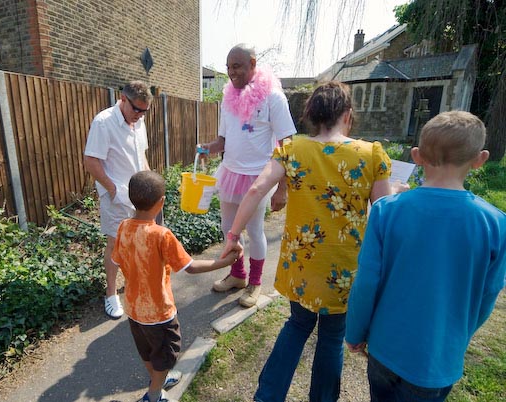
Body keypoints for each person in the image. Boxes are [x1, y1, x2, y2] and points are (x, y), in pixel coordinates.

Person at [221, 81, 393, 402]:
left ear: (312, 114)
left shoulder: (292, 150)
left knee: (297, 325)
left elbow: (258, 189)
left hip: (301, 266)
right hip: (344, 271)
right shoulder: (371, 155)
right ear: (348, 115)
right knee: (331, 339)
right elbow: (386, 215)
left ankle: (267, 396)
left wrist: (233, 236)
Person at [345, 111, 506, 402]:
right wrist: (459, 336)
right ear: (480, 159)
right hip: (439, 358)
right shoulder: (496, 223)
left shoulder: (386, 211)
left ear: (416, 156)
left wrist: (354, 332)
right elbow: (488, 294)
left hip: (385, 348)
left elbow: (366, 282)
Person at [111, 170, 238, 402]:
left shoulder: (122, 228)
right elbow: (189, 267)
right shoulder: (161, 235)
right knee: (167, 354)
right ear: (161, 202)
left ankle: (158, 381)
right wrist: (224, 262)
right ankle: (154, 395)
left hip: (133, 308)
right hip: (159, 312)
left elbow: (117, 261)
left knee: (148, 351)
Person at [199, 43, 296, 308]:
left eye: (237, 66)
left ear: (253, 63)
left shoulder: (273, 98)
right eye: (228, 67)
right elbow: (223, 140)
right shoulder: (227, 98)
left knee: (254, 231)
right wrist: (209, 148)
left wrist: (282, 188)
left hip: (258, 177)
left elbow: (288, 144)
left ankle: (255, 283)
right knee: (228, 229)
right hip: (230, 172)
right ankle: (238, 275)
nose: (232, 72)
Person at [84, 80, 153, 319]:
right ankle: (111, 294)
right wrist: (113, 190)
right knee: (115, 245)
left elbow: (141, 155)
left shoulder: (139, 121)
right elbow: (91, 161)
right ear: (122, 99)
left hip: (139, 195)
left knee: (138, 241)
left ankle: (136, 283)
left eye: (145, 111)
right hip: (116, 197)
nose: (140, 115)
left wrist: (149, 184)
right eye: (137, 109)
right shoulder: (103, 123)